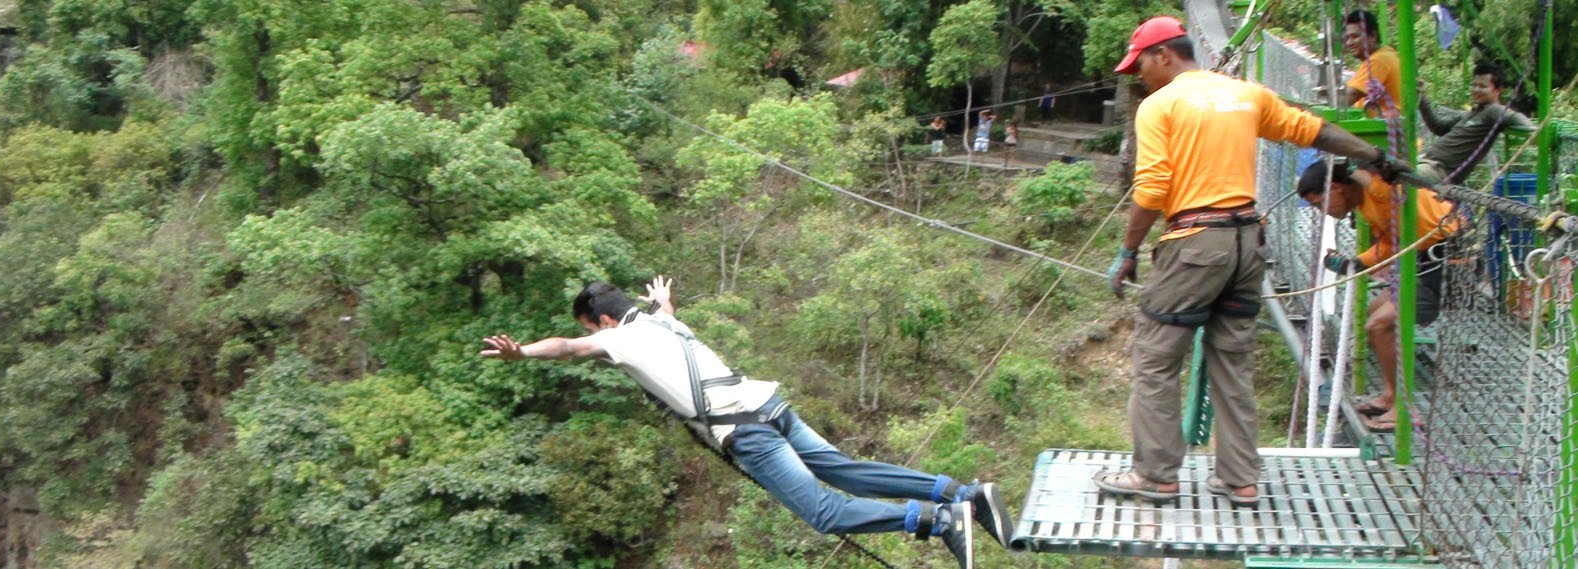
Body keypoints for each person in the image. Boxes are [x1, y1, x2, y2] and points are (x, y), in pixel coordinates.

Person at [480, 277, 1012, 569]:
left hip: (746, 432)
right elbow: (663, 312)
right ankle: (964, 494)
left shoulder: (617, 338)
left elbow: (570, 347)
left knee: (825, 511)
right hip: (771, 406)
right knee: (845, 471)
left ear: (603, 321)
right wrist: (664, 300)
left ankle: (940, 521)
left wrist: (523, 352)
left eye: (593, 328)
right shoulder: (669, 323)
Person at [1100, 16, 1411, 507]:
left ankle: (1156, 474)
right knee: (1232, 360)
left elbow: (1154, 188)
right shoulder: (1247, 94)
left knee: (1156, 359)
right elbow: (1316, 131)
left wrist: (1129, 250)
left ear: (1163, 55)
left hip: (1196, 243)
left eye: (1139, 65)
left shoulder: (1159, 105)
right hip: (1248, 243)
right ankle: (1240, 478)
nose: (1138, 76)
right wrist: (1376, 157)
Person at [1296, 160, 1459, 433]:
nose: (1322, 211)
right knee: (1374, 312)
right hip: (1422, 260)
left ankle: (1405, 409)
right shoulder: (1365, 206)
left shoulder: (1379, 189)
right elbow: (1390, 240)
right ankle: (1390, 395)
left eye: (1319, 203)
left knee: (1380, 325)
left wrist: (1352, 167)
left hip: (1446, 260)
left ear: (1336, 188)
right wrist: (1356, 262)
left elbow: (1390, 187)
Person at [1414, 62, 1535, 184]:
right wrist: (1422, 98)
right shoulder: (1471, 113)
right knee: (1396, 166)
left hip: (1440, 171)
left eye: (1482, 86)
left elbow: (1516, 117)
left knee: (1403, 176)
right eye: (1474, 85)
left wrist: (1534, 132)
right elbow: (1438, 127)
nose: (1476, 90)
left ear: (1498, 90)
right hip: (1427, 162)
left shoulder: (1493, 111)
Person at [1343, 9, 1402, 119]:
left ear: (1373, 36)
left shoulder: (1378, 60)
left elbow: (1347, 98)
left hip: (1385, 133)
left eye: (1355, 36)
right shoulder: (1388, 55)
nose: (1349, 43)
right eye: (1347, 38)